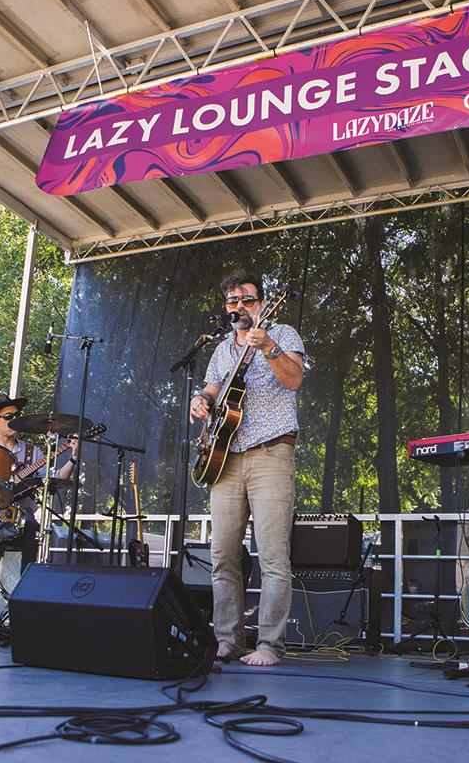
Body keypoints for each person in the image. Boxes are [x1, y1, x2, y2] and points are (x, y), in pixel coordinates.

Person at [189, 271, 305, 667]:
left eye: (246, 299)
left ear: (261, 301)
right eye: (232, 302)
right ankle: (228, 639)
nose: (239, 307)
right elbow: (212, 389)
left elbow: (293, 380)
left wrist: (269, 346)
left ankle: (270, 644)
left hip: (271, 453)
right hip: (224, 456)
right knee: (223, 554)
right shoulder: (223, 350)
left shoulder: (283, 333)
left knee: (272, 555)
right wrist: (200, 401)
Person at [0, 393, 75, 570]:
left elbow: (55, 478)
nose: (14, 420)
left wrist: (73, 458)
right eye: (8, 417)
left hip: (19, 516)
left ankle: (24, 583)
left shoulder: (32, 451)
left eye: (17, 416)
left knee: (32, 525)